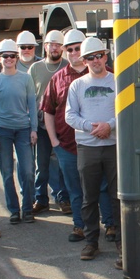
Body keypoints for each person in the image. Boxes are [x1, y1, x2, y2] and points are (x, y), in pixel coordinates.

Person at [41, 29, 115, 244]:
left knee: (103, 188)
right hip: (68, 146)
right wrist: (55, 142)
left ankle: (110, 224)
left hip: (103, 143)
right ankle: (80, 226)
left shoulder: (111, 76)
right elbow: (48, 110)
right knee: (76, 191)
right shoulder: (59, 79)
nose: (74, 52)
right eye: (70, 49)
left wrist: (107, 127)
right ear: (66, 51)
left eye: (78, 48)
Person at [65, 37, 121, 263]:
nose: (96, 60)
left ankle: (120, 241)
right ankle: (91, 241)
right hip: (88, 147)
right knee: (89, 197)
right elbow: (70, 115)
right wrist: (91, 128)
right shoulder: (77, 85)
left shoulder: (118, 81)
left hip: (113, 146)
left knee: (118, 196)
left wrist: (110, 126)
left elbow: (126, 109)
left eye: (99, 55)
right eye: (90, 57)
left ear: (106, 56)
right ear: (84, 60)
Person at [0, 38, 38, 224]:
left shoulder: (26, 78)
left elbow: (32, 106)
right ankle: (13, 209)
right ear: (0, 58)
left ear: (17, 57)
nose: (9, 59)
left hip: (23, 129)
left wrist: (34, 129)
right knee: (6, 171)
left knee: (28, 171)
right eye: (6, 56)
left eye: (12, 55)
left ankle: (27, 208)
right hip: (2, 130)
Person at [29, 29, 69, 215]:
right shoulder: (35, 69)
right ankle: (41, 199)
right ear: (45, 46)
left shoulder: (67, 66)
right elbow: (29, 97)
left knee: (61, 164)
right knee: (42, 164)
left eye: (57, 45)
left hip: (63, 124)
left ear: (63, 48)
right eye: (51, 44)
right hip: (41, 123)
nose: (54, 48)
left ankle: (62, 198)